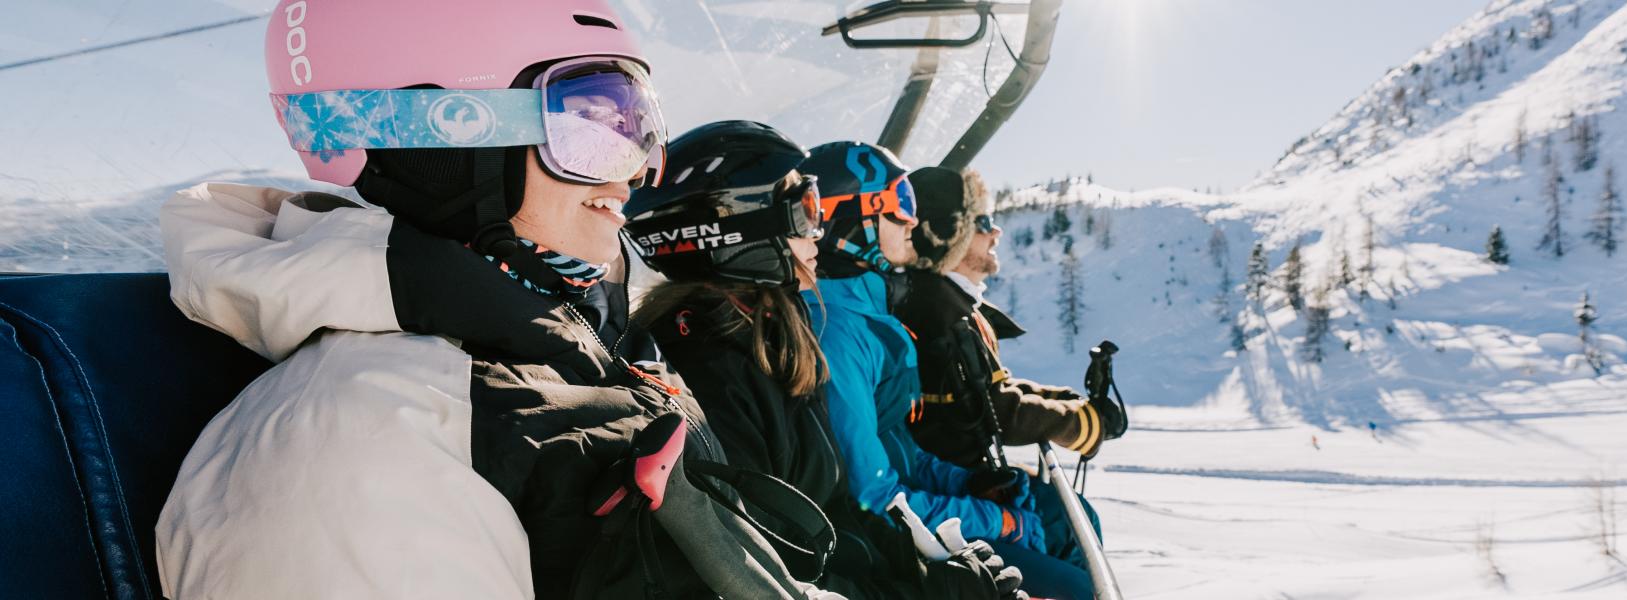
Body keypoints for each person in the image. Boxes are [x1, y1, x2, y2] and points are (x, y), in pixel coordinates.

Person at [154, 2, 838, 598]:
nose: (639, 167)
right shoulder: (359, 450)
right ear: (443, 138)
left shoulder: (576, 343)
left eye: (639, 123)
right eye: (591, 120)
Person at [624, 120, 1024, 599]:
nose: (818, 233)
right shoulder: (705, 372)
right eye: (805, 211)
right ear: (738, 225)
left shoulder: (776, 341)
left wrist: (917, 565)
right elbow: (758, 573)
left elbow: (833, 510)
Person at [798, 143, 1091, 600]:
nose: (913, 222)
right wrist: (999, 522)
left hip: (911, 520)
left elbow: (901, 451)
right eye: (900, 207)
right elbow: (874, 497)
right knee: (1075, 588)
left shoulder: (872, 316)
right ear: (855, 222)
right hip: (884, 542)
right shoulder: (839, 333)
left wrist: (967, 483)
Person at [891, 166, 1124, 575]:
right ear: (949, 234)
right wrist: (1082, 423)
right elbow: (998, 409)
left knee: (1076, 517)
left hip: (972, 482)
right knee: (1078, 565)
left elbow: (993, 386)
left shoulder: (954, 306)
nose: (995, 232)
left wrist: (1066, 400)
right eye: (981, 222)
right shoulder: (935, 317)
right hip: (956, 493)